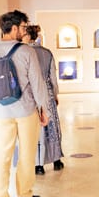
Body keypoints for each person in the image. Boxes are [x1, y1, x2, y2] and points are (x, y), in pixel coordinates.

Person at [0, 10, 49, 197]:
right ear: (15, 27)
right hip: (26, 111)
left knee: (1, 155)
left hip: (1, 112)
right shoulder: (26, 51)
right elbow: (37, 84)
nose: (24, 31)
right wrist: (43, 109)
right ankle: (24, 195)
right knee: (27, 154)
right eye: (24, 27)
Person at [23, 24, 64, 174]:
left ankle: (38, 165)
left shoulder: (25, 52)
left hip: (31, 94)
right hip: (47, 93)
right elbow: (53, 76)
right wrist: (55, 93)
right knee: (52, 127)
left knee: (35, 128)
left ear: (27, 36)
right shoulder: (47, 53)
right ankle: (56, 160)